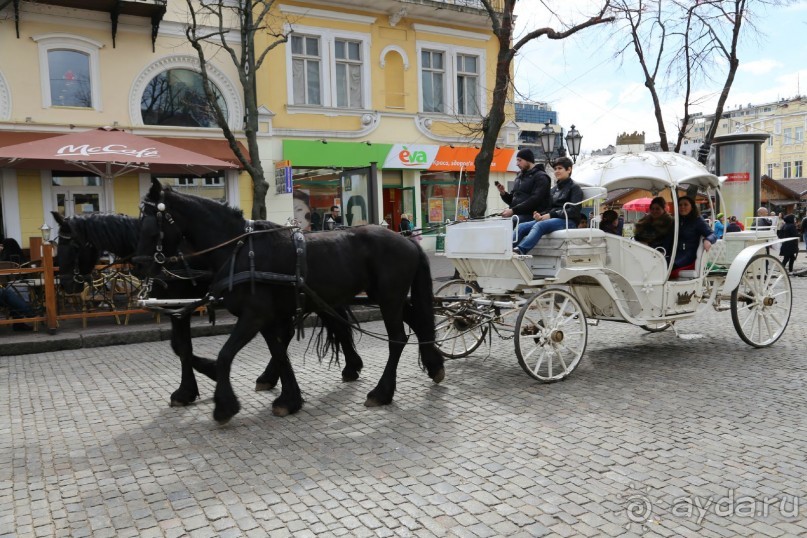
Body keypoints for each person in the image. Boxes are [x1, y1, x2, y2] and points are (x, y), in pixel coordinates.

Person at [513, 157, 583, 254]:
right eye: (555, 169)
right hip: (553, 219)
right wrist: (540, 215)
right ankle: (507, 248)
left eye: (560, 168)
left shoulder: (575, 188)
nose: (556, 171)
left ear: (569, 169)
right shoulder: (554, 189)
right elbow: (548, 208)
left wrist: (550, 215)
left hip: (569, 221)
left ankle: (520, 250)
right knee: (521, 226)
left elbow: (574, 211)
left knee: (540, 225)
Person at [496, 148, 551, 224]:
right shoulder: (519, 176)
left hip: (533, 215)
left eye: (519, 160)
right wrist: (503, 194)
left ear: (528, 160)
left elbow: (535, 200)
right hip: (518, 214)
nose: (517, 164)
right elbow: (512, 201)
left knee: (509, 223)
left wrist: (513, 210)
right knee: (496, 222)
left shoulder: (541, 177)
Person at [670, 195, 716, 278]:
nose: (682, 207)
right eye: (680, 205)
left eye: (685, 204)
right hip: (674, 254)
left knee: (665, 265)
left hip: (687, 256)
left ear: (692, 206)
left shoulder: (697, 220)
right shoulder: (676, 221)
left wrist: (708, 240)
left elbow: (712, 234)